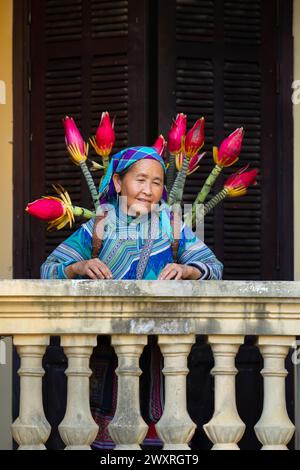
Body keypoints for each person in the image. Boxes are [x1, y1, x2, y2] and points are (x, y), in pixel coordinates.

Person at [41, 145, 223, 448]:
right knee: (106, 442)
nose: (148, 190)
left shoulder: (172, 226)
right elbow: (48, 270)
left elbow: (214, 268)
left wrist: (188, 270)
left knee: (163, 443)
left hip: (161, 360)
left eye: (156, 182)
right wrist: (79, 266)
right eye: (140, 179)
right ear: (117, 183)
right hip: (105, 355)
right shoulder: (98, 228)